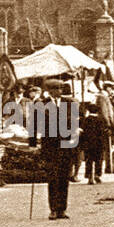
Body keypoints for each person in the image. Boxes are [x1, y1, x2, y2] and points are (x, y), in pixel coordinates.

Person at [30, 83, 77, 218]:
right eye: (55, 89)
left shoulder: (69, 103)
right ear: (49, 91)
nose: (58, 91)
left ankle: (62, 209)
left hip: (67, 145)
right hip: (50, 146)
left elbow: (78, 120)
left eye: (60, 88)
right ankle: (53, 209)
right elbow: (33, 124)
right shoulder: (41, 105)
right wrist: (32, 143)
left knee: (64, 177)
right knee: (53, 177)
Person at [80, 101, 107, 184]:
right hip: (99, 143)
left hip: (88, 144)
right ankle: (97, 175)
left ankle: (89, 176)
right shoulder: (101, 120)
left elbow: (82, 132)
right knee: (99, 160)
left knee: (89, 160)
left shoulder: (86, 120)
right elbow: (104, 132)